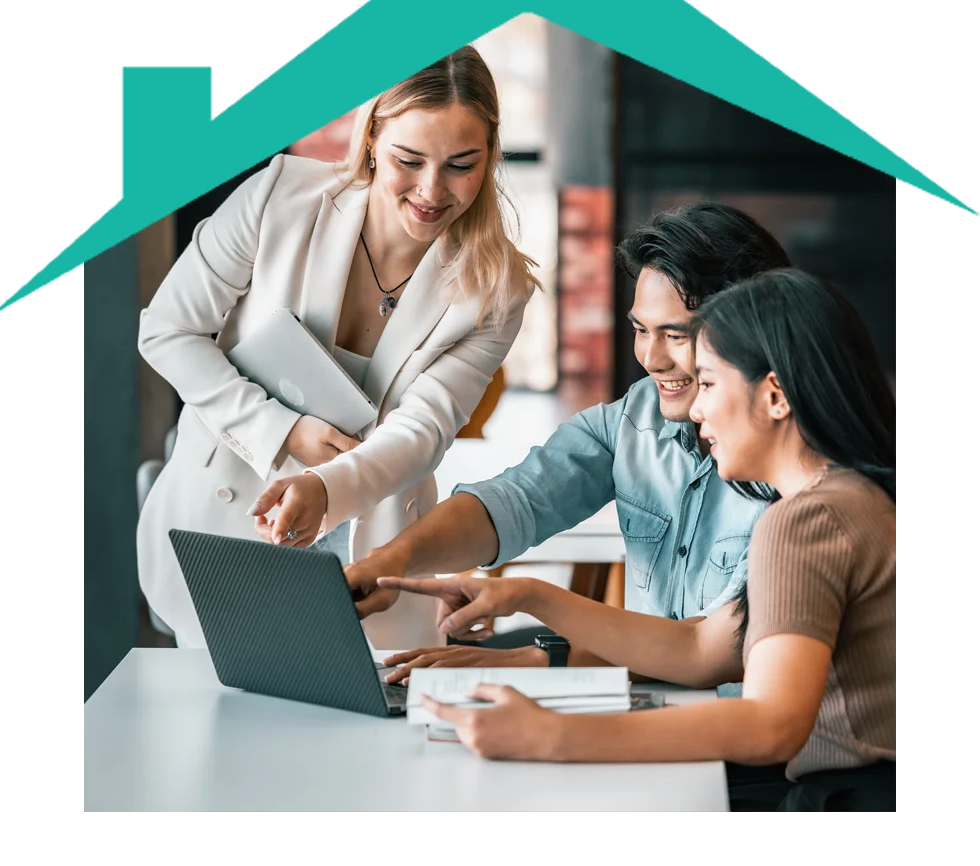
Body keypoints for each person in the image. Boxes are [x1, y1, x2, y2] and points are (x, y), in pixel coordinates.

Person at [380, 269, 896, 813]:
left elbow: (771, 725)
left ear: (774, 396)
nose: (695, 411)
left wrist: (550, 736)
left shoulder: (806, 520)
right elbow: (698, 651)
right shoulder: (855, 497)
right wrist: (527, 595)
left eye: (712, 384)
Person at [136, 46, 539, 650]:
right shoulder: (280, 196)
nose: (432, 190)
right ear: (372, 137)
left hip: (371, 545)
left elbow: (425, 428)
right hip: (215, 523)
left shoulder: (497, 286)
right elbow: (166, 330)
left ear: (491, 156)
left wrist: (327, 487)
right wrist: (282, 431)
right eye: (410, 160)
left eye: (462, 164)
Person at [344, 202, 791, 684]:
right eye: (641, 330)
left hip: (736, 735)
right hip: (649, 711)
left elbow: (712, 652)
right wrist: (390, 562)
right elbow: (517, 500)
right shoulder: (636, 417)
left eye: (675, 335)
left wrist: (538, 651)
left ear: (748, 329)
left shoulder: (799, 469)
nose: (651, 358)